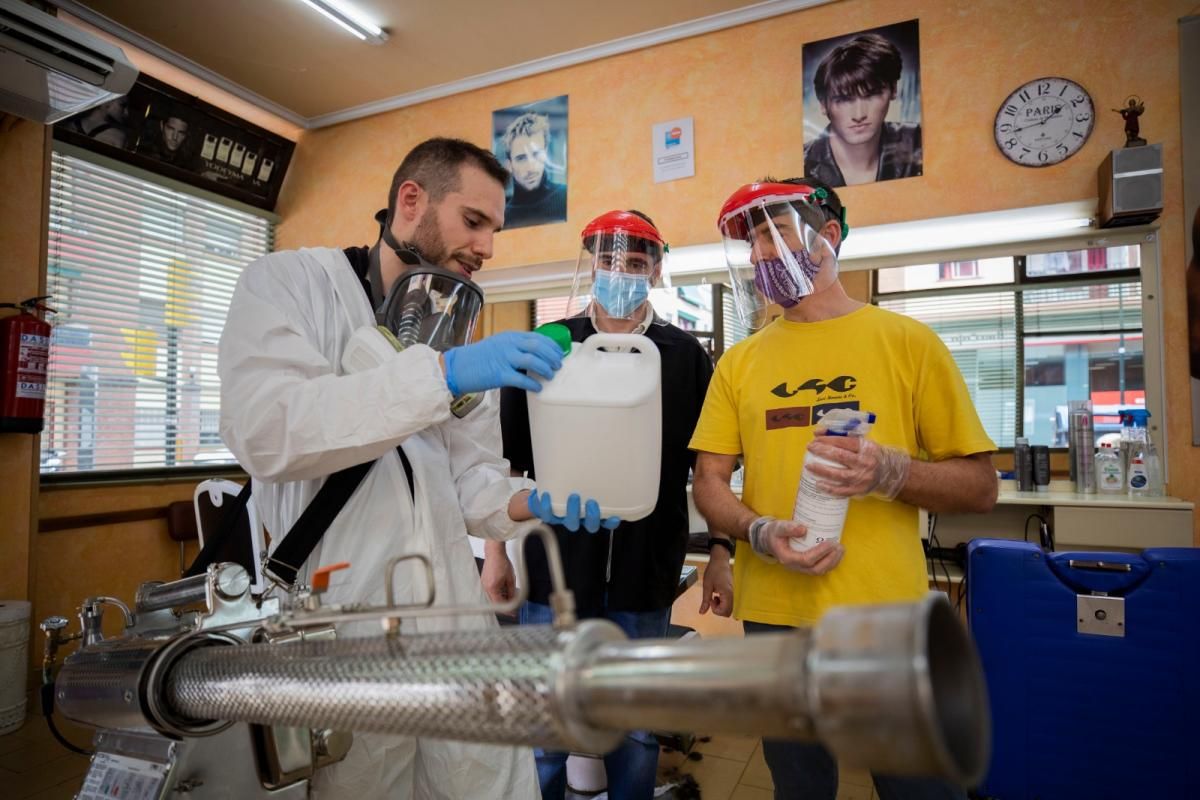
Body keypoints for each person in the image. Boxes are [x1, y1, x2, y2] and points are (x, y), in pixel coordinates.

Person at [218, 137, 610, 800]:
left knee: (486, 782)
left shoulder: (458, 337)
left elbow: (468, 487)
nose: (487, 248)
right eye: (474, 221)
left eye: (494, 230)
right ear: (411, 202)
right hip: (342, 623)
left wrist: (530, 503)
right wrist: (439, 377)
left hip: (452, 620)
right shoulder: (291, 285)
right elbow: (265, 430)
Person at [690, 178, 997, 800]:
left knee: (919, 785)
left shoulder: (908, 344)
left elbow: (981, 486)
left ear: (827, 237)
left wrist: (894, 472)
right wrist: (757, 532)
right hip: (775, 615)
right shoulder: (740, 363)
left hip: (883, 617)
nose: (757, 259)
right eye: (750, 246)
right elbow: (709, 482)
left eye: (771, 239)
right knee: (799, 786)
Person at [482, 210, 714, 799]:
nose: (621, 273)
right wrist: (496, 555)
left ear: (657, 271)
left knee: (634, 727)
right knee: (548, 720)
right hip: (557, 566)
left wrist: (722, 550)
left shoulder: (684, 357)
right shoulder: (548, 351)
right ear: (590, 265)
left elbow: (707, 469)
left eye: (636, 263)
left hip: (647, 566)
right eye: (609, 260)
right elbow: (509, 465)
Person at [803, 33, 922, 186]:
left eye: (871, 95)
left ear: (893, 90)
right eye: (843, 99)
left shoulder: (918, 140)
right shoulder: (801, 163)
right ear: (823, 105)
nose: (859, 115)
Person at [500, 111, 567, 228]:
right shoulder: (501, 218)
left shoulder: (566, 197)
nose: (530, 168)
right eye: (521, 158)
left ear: (545, 153)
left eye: (536, 155)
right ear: (509, 165)